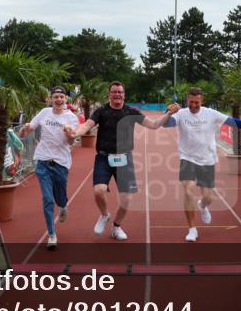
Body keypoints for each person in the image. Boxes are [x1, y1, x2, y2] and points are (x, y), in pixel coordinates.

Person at [71, 81, 176, 241]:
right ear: (110, 94)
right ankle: (105, 215)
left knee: (126, 199)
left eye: (120, 92)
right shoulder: (101, 111)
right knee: (99, 190)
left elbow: (154, 125)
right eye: (114, 92)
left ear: (124, 94)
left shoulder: (131, 112)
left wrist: (168, 114)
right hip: (104, 158)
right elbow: (86, 126)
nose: (117, 94)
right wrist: (75, 133)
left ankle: (116, 226)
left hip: (124, 158)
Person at [166, 87, 241, 242]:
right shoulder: (181, 114)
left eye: (196, 102)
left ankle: (203, 205)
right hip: (187, 158)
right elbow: (166, 124)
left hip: (207, 160)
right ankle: (192, 229)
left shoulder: (211, 114)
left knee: (208, 197)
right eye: (191, 102)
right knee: (188, 192)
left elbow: (233, 122)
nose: (193, 105)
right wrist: (167, 112)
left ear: (202, 101)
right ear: (187, 100)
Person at [18, 86, 79, 249]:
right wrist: (24, 129)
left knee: (60, 197)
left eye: (61, 97)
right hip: (42, 161)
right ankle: (52, 234)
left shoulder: (71, 118)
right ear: (50, 99)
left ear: (66, 99)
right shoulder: (44, 112)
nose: (58, 99)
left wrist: (68, 133)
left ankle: (64, 206)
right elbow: (25, 132)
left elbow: (72, 141)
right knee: (47, 199)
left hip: (61, 163)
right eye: (55, 97)